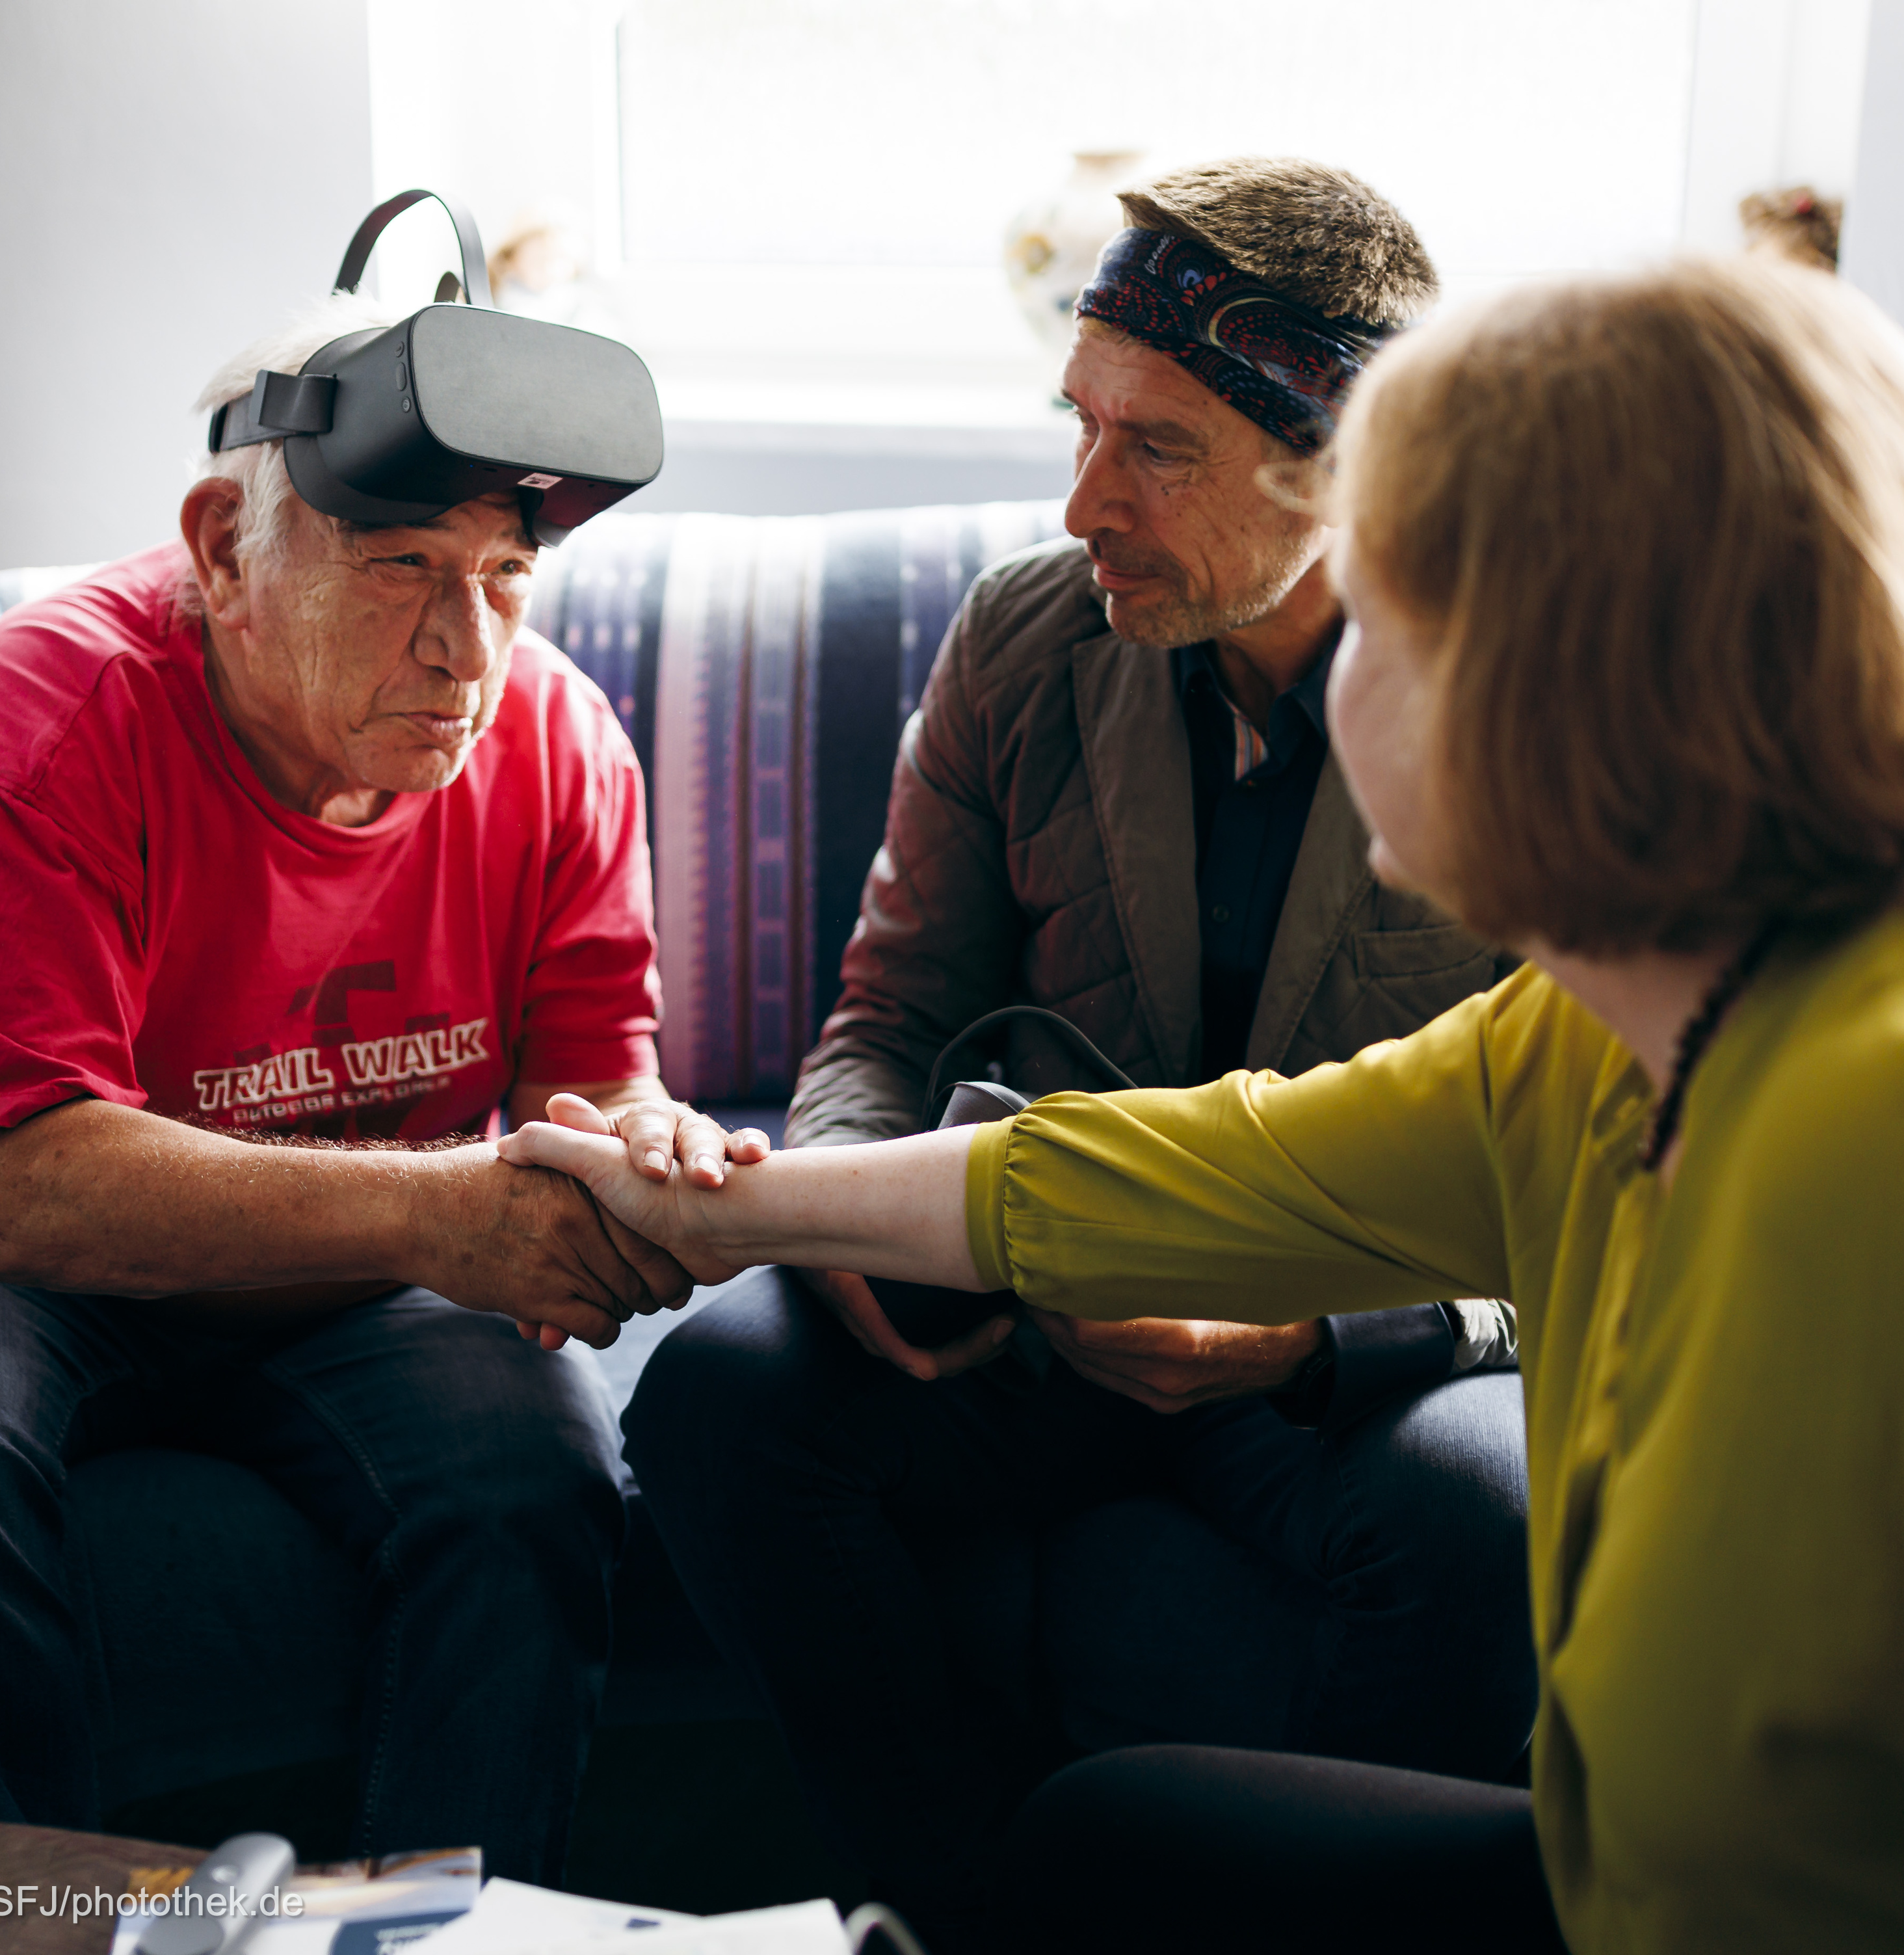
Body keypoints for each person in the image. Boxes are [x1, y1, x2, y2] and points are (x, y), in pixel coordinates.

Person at [507, 254, 1904, 1951]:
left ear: (1569, 669)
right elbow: (1173, 1164)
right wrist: (720, 1203)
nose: (1342, 668)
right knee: (1100, 1841)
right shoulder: (1608, 1022)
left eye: (1386, 607)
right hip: (1640, 1882)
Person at [622, 157, 1534, 1941]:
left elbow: (1633, 1185)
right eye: (1081, 427)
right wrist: (846, 1233)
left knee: (1478, 1520)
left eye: (1159, 448)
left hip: (1349, 1358)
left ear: (1347, 466)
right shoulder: (1028, 635)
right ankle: (958, 1910)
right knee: (726, 1393)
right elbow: (884, 1016)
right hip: (1038, 1309)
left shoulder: (1535, 690)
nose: (1084, 500)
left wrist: (1323, 1336)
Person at [0, 297, 765, 1871]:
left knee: (541, 1484)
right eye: (400, 572)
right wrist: (444, 1210)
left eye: (505, 576)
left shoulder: (561, 742)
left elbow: (593, 1070)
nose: (469, 647)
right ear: (225, 548)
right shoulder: (50, 717)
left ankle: (439, 1927)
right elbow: (19, 1183)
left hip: (363, 1258)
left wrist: (640, 1152)